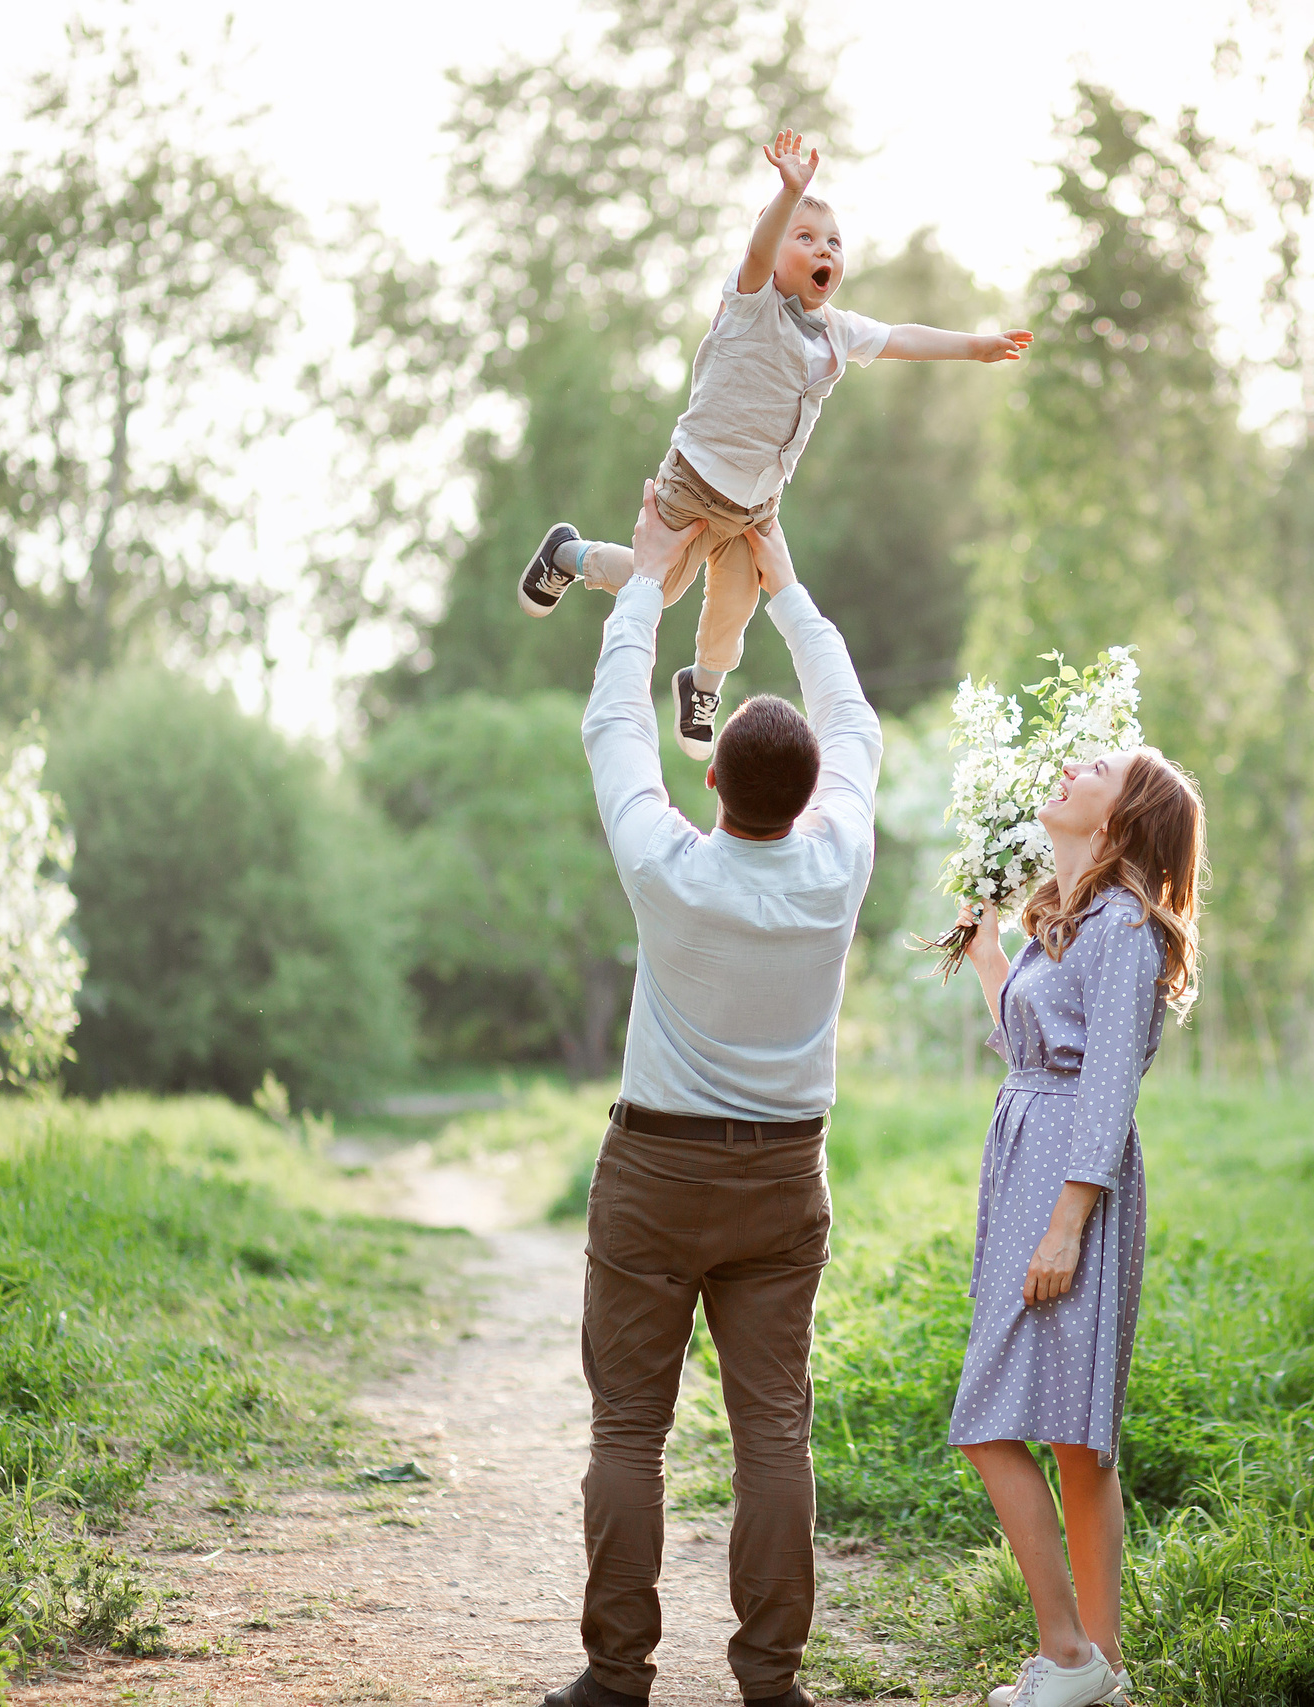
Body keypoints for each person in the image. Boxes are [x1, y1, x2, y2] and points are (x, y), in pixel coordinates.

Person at [543, 493, 879, 1707]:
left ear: (718, 786)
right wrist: (782, 584)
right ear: (805, 795)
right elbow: (853, 720)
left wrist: (646, 581)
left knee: (628, 1433)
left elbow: (613, 722)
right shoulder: (839, 863)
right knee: (771, 1435)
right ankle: (770, 1682)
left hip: (655, 1175)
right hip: (783, 1180)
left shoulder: (670, 866)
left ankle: (617, 1676)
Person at [518, 125, 1033, 761]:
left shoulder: (838, 332)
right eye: (807, 238)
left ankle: (701, 685)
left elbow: (902, 337)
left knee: (734, 607)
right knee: (657, 584)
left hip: (758, 504)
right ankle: (569, 555)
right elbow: (761, 250)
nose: (825, 251)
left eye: (835, 244)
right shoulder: (751, 300)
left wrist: (973, 345)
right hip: (696, 478)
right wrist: (789, 194)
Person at [950, 748, 1206, 1707]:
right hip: (1033, 1161)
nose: (1066, 766)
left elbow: (1104, 1092)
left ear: (1122, 815)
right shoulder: (1072, 924)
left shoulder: (1126, 931)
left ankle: (1068, 1657)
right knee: (1072, 1440)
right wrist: (990, 966)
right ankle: (1104, 1671)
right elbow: (1040, 1052)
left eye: (1095, 765)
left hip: (1067, 1181)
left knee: (992, 1420)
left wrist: (1065, 1228)